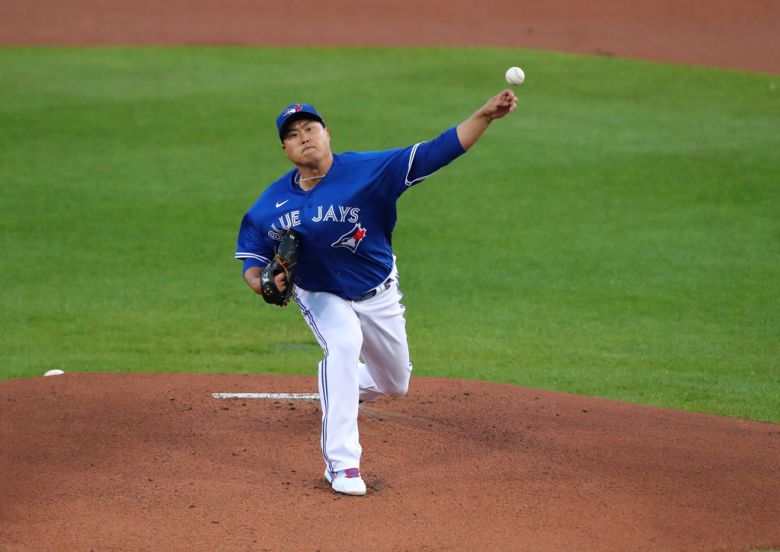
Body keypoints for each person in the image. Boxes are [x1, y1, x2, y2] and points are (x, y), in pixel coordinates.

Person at [235, 90, 517, 496]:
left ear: (327, 133)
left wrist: (484, 115)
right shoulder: (270, 204)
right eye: (293, 134)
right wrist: (261, 282)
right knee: (344, 345)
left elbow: (437, 151)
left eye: (310, 128)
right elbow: (252, 258)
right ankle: (343, 465)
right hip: (320, 293)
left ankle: (339, 386)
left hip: (378, 290)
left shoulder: (370, 169)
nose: (304, 137)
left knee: (395, 383)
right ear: (285, 149)